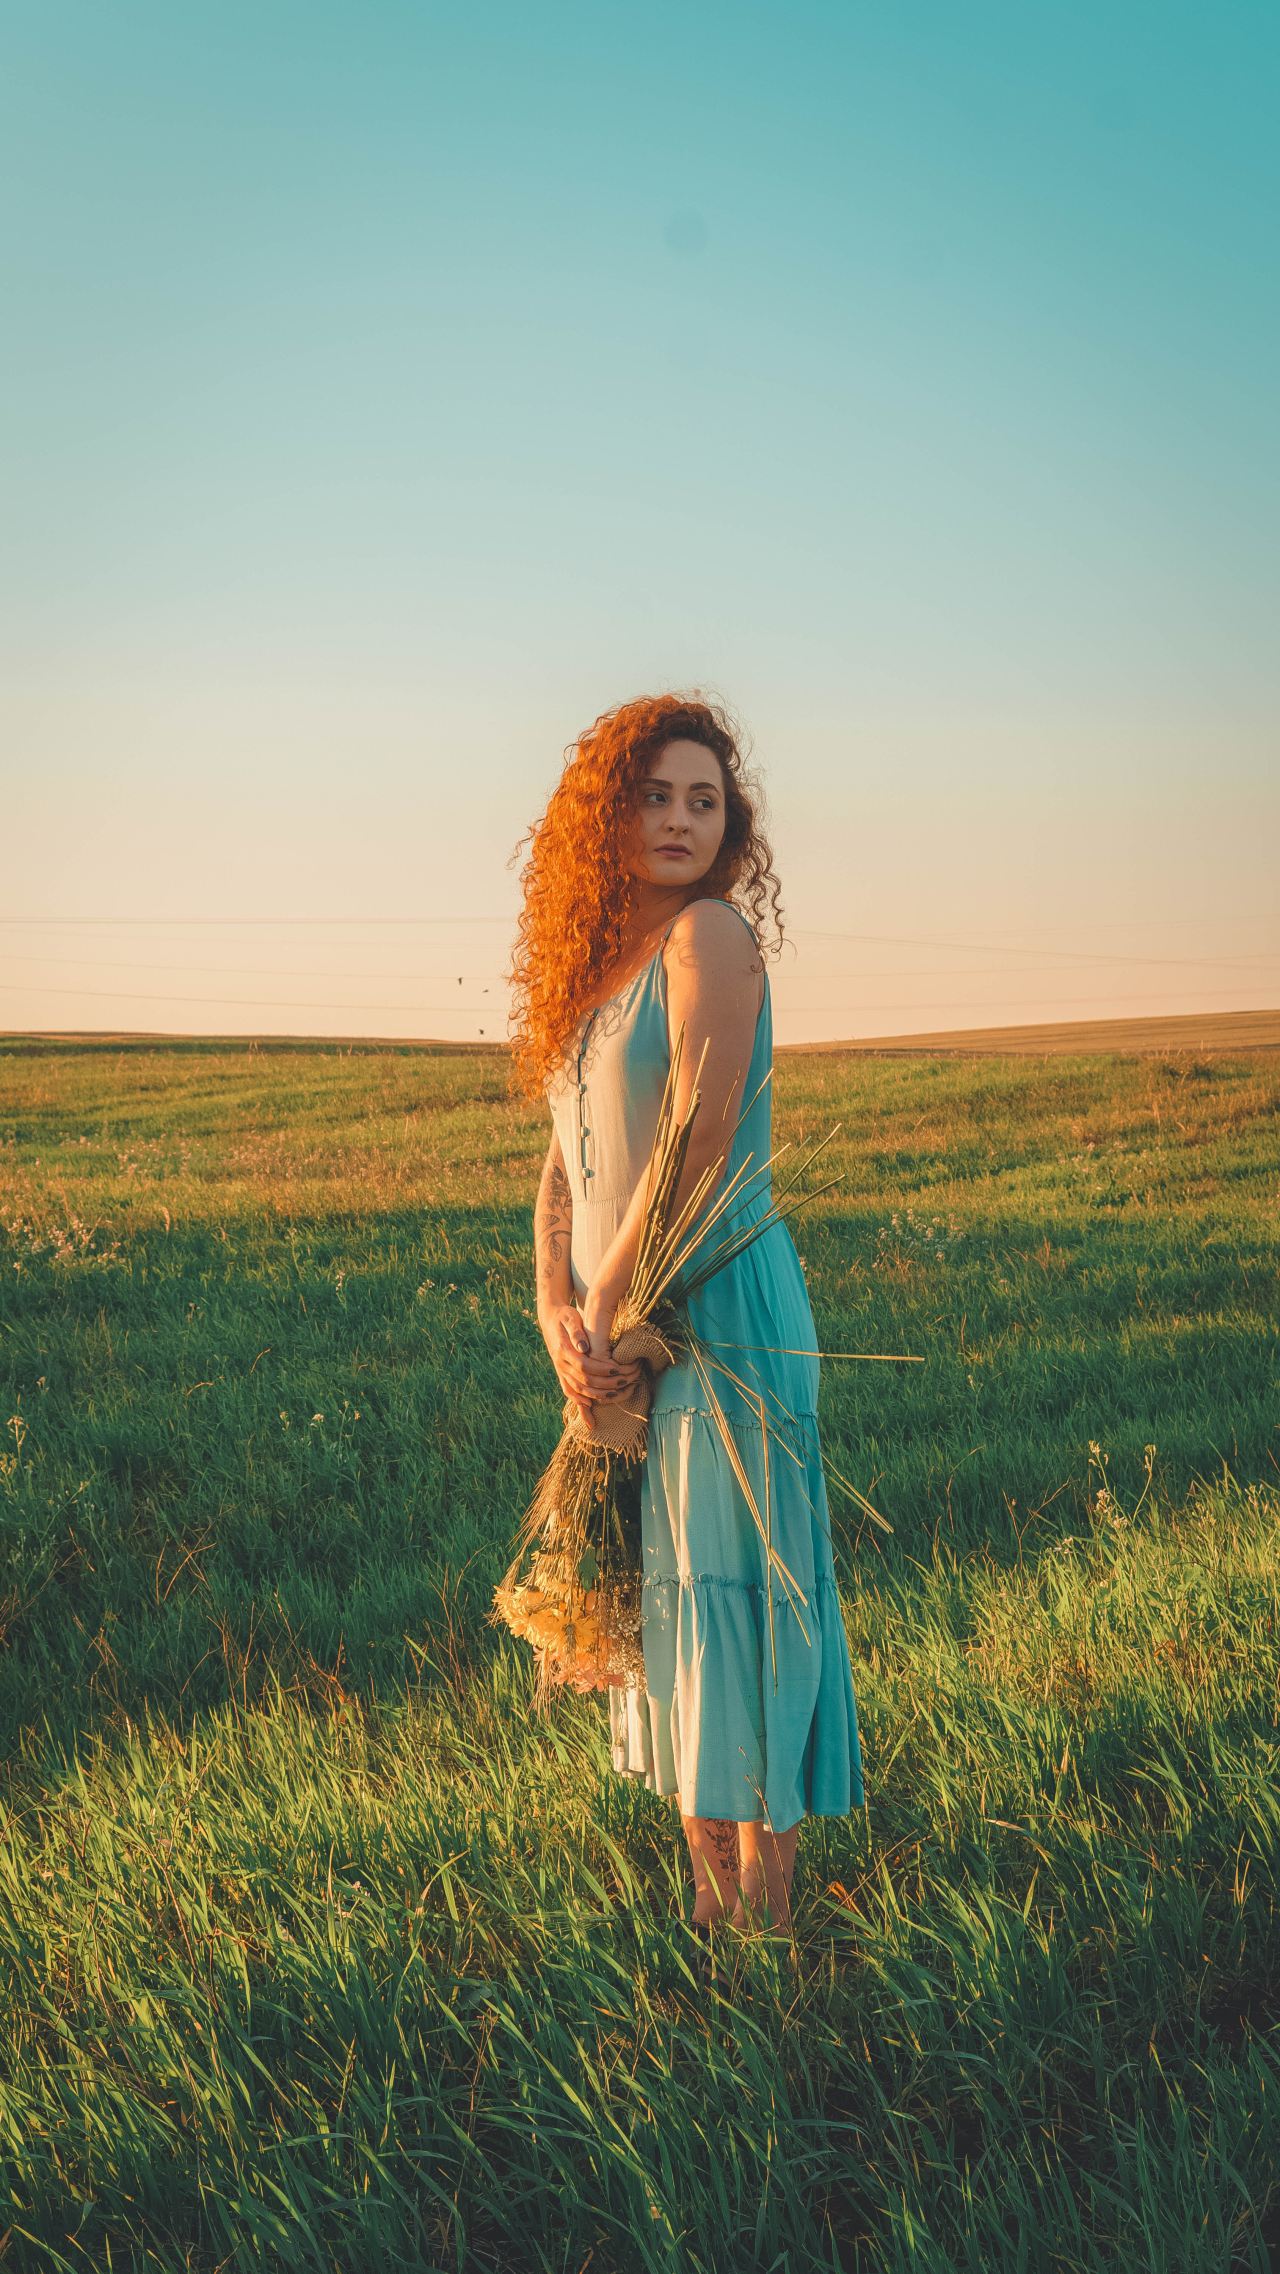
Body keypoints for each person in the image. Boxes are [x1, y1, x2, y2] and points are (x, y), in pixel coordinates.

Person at [507, 692, 865, 1941]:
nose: (677, 818)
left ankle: (761, 1924)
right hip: (617, 1329)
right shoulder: (598, 967)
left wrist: (612, 1308)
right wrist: (557, 1308)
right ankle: (710, 1907)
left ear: (730, 827)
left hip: (718, 1312)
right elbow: (564, 1166)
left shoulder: (709, 936)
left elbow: (699, 1134)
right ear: (607, 814)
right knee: (664, 1607)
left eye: (702, 800)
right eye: (654, 794)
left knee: (738, 1604)